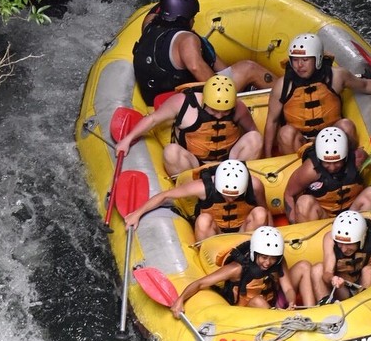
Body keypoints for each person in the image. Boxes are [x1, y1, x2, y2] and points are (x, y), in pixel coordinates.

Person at [262, 31, 371, 157]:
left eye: (305, 60)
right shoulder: (282, 85)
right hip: (300, 140)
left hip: (333, 136)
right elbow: (272, 121)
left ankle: (350, 161)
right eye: (295, 60)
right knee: (285, 133)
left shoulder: (336, 76)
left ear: (317, 59)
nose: (299, 65)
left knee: (346, 125)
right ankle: (300, 173)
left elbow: (365, 85)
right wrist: (267, 155)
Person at [133, 0, 272, 105]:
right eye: (192, 17)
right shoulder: (186, 40)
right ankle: (288, 94)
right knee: (249, 68)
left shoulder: (148, 25)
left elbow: (155, 10)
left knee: (211, 55)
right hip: (186, 101)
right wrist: (224, 94)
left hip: (157, 99)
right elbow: (196, 67)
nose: (193, 20)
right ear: (184, 19)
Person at [117, 73, 263, 176]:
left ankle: (239, 184)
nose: (219, 116)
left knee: (255, 138)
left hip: (229, 164)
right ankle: (190, 197)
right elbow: (153, 119)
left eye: (224, 112)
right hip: (193, 166)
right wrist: (127, 140)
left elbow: (252, 131)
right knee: (171, 152)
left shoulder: (238, 107)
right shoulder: (183, 103)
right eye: (214, 110)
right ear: (205, 100)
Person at [171, 226, 316, 316]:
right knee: (258, 301)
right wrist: (180, 300)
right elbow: (201, 283)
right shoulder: (237, 268)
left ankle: (312, 314)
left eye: (272, 258)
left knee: (303, 266)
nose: (268, 263)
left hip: (273, 304)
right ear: (255, 253)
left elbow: (289, 288)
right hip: (247, 312)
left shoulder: (277, 261)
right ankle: (283, 321)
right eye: (264, 257)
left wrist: (291, 301)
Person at [124, 158, 271, 240]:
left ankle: (248, 253)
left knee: (260, 213)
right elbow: (165, 195)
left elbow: (265, 210)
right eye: (226, 195)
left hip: (243, 232)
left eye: (235, 196)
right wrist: (137, 213)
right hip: (215, 234)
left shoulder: (255, 185)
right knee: (203, 219)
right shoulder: (202, 188)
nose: (231, 200)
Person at [283, 123, 371, 223]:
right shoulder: (310, 170)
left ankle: (362, 232)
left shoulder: (358, 158)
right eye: (327, 162)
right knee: (304, 202)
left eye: (338, 162)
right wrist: (293, 224)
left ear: (346, 156)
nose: (332, 167)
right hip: (323, 217)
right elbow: (289, 194)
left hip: (352, 215)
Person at [310, 209, 371, 304]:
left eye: (348, 244)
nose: (343, 249)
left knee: (368, 272)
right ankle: (325, 306)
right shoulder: (330, 239)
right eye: (340, 244)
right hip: (346, 286)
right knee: (317, 269)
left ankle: (361, 307)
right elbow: (327, 272)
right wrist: (332, 279)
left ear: (361, 239)